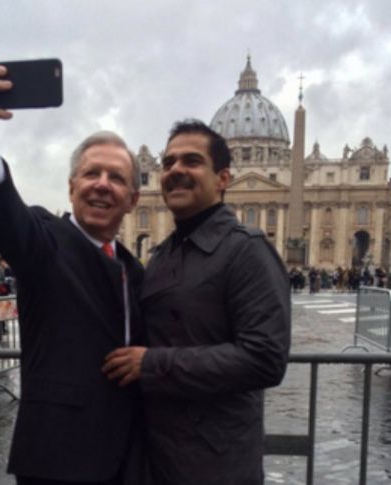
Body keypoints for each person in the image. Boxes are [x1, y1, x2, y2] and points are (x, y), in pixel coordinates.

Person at [0, 54, 146, 485]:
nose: (102, 184)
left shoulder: (134, 269)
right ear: (72, 186)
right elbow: (5, 214)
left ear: (133, 199)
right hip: (58, 459)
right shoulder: (45, 241)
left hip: (126, 456)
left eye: (116, 178)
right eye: (91, 173)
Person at [102, 119, 291, 485]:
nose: (176, 170)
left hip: (214, 463)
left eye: (191, 161)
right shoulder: (162, 255)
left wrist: (152, 364)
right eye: (168, 162)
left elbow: (265, 359)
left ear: (223, 178)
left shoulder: (248, 251)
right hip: (156, 456)